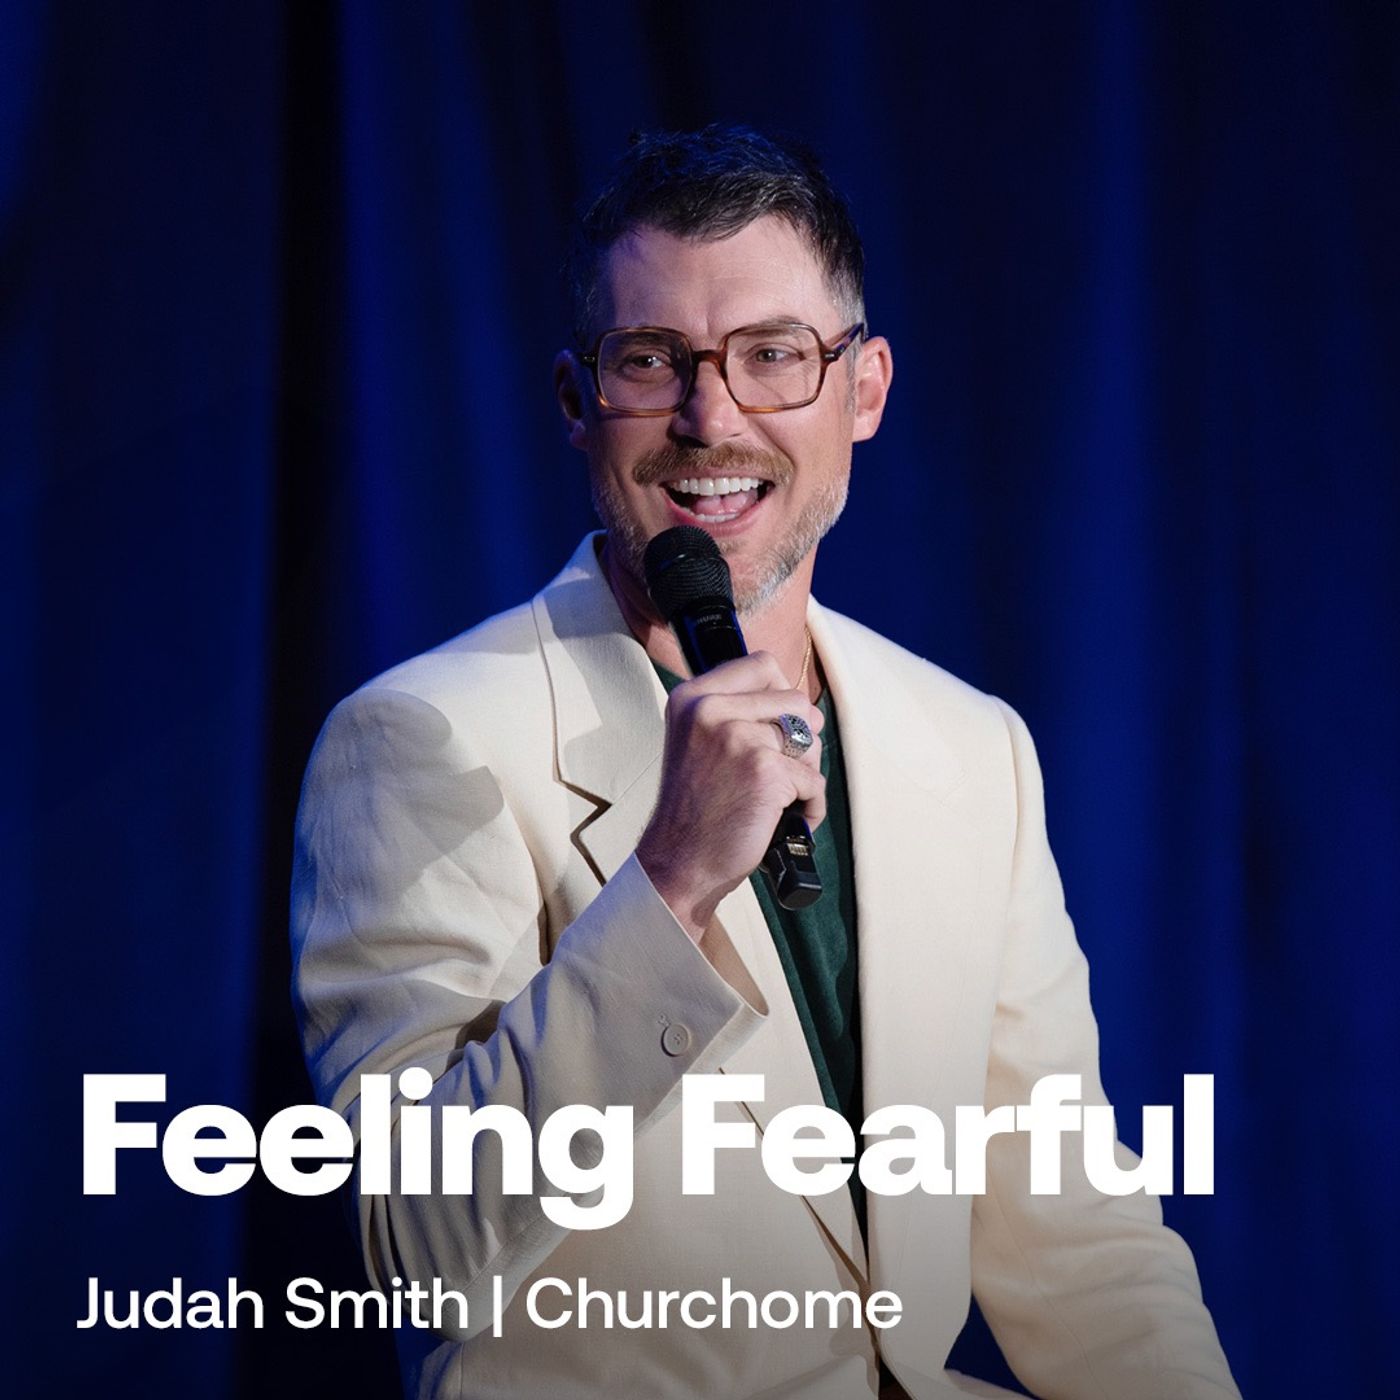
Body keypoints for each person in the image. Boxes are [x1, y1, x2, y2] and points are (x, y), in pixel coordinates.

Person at [291, 125, 1239, 1400]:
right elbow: (413, 1255)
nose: (711, 418)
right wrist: (668, 885)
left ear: (865, 389)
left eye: (773, 355)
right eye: (650, 361)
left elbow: (1077, 1240)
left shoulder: (970, 745)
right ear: (575, 400)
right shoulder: (421, 737)